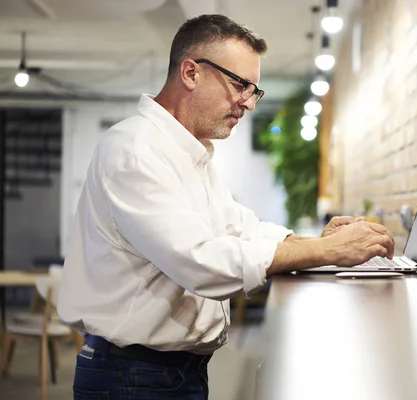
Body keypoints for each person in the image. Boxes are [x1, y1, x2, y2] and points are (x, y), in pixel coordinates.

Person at [57, 14, 395, 400]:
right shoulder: (135, 152)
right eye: (240, 85)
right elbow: (200, 262)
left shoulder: (188, 154)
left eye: (254, 90)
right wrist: (326, 251)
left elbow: (241, 228)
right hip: (132, 376)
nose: (248, 103)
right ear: (190, 72)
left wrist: (312, 241)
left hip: (167, 373)